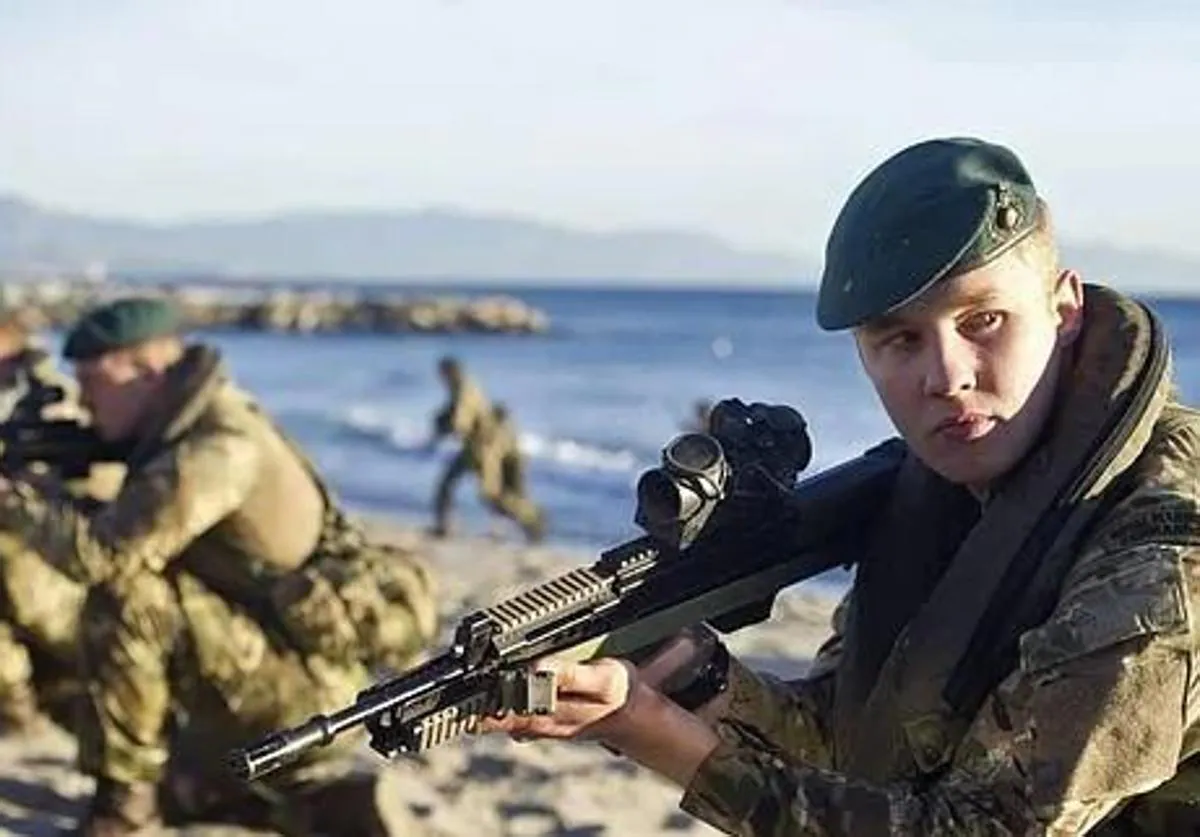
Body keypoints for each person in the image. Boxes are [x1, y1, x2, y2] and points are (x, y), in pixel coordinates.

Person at [481, 137, 1200, 835]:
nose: (947, 378)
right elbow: (848, 744)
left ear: (1064, 309)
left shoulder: (1162, 540)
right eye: (901, 340)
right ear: (864, 354)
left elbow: (986, 825)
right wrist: (691, 680)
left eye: (983, 320)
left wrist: (656, 735)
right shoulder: (952, 492)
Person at [0, 297, 438, 836]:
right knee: (192, 792)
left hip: (308, 694)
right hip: (263, 666)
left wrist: (12, 500)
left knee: (126, 593)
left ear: (143, 370)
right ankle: (315, 805)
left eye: (92, 382)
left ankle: (124, 812)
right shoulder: (179, 427)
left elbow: (106, 556)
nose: (84, 402)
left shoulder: (218, 443)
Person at [0, 311, 124, 734]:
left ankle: (21, 711)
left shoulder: (57, 401)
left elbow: (101, 506)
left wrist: (17, 492)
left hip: (61, 582)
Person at [427, 356, 545, 543]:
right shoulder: (462, 387)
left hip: (481, 449)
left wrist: (444, 429)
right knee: (447, 485)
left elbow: (461, 420)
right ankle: (444, 526)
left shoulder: (465, 389)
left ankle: (532, 519)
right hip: (475, 447)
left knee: (492, 495)